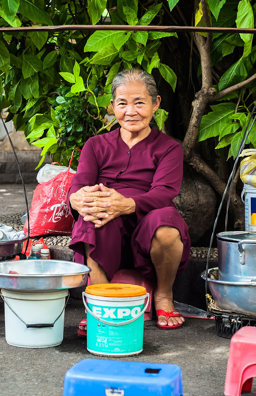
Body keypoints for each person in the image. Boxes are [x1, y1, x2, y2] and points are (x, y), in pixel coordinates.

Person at [68, 68, 191, 329]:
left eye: (139, 103)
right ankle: (99, 302)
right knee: (92, 215)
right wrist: (78, 200)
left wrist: (127, 204)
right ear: (112, 107)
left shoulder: (169, 148)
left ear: (155, 104)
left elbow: (164, 192)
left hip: (148, 220)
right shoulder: (95, 145)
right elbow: (79, 186)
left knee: (167, 225)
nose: (131, 111)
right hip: (107, 226)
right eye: (122, 104)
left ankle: (164, 296)